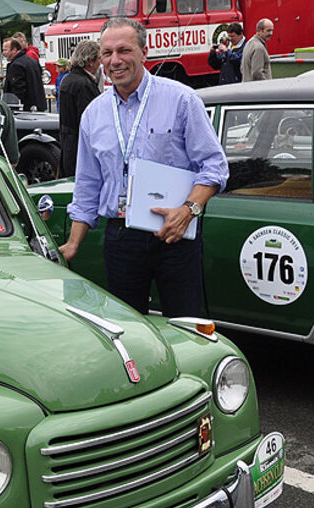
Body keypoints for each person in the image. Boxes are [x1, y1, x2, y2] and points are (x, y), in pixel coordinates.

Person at [59, 18, 228, 318]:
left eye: (124, 50)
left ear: (144, 52)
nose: (115, 60)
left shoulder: (181, 99)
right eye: (107, 53)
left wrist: (189, 210)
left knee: (186, 325)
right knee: (128, 329)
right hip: (120, 239)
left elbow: (214, 167)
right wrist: (72, 245)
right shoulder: (94, 114)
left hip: (174, 234)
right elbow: (87, 185)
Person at [58, 40, 101, 179]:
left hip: (67, 146)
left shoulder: (67, 79)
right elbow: (90, 123)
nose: (100, 63)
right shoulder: (84, 85)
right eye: (99, 59)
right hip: (81, 150)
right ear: (90, 61)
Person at [3, 37, 47, 112]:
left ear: (14, 50)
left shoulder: (16, 65)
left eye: (5, 50)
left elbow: (18, 91)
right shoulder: (33, 61)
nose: (3, 53)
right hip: (39, 106)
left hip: (25, 111)